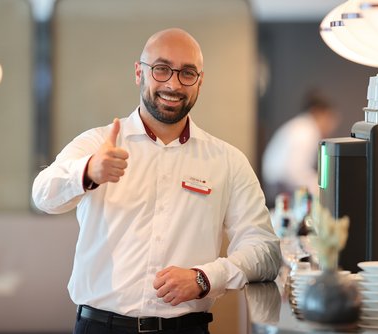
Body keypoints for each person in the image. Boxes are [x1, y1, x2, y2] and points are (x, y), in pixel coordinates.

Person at [32, 28, 281, 334]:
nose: (173, 84)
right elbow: (42, 194)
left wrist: (206, 277)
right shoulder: (97, 143)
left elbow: (266, 250)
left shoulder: (228, 161)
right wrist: (88, 171)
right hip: (100, 327)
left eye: (187, 73)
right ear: (140, 72)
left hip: (187, 328)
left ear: (200, 81)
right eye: (161, 69)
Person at [261, 91, 339, 204]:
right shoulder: (307, 131)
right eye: (330, 119)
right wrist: (322, 187)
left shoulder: (301, 125)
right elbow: (294, 171)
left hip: (276, 186)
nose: (331, 126)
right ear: (319, 112)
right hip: (280, 189)